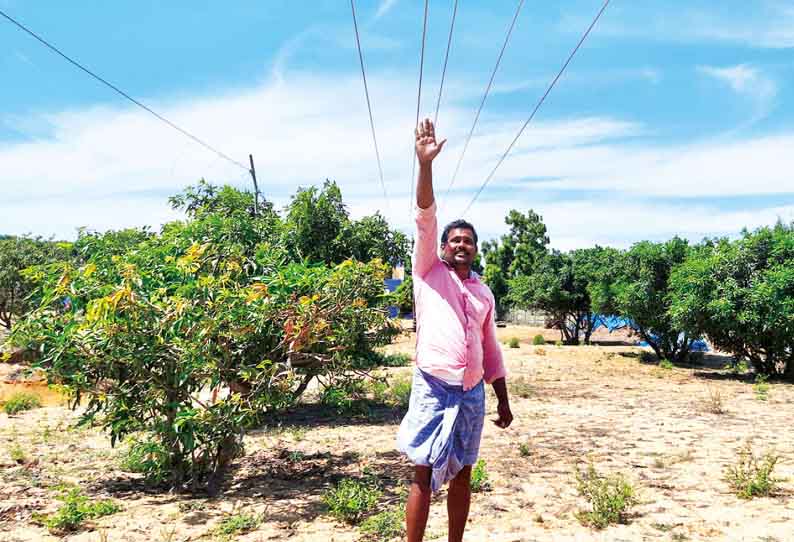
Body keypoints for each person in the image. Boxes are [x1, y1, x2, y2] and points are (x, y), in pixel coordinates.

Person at [397, 118, 513, 542]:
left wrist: (502, 400)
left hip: (471, 393)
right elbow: (425, 217)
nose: (461, 244)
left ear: (476, 248)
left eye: (469, 241)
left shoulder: (483, 292)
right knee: (423, 471)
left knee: (464, 472)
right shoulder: (428, 271)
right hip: (433, 385)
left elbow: (491, 349)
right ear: (444, 248)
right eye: (455, 240)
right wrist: (425, 165)